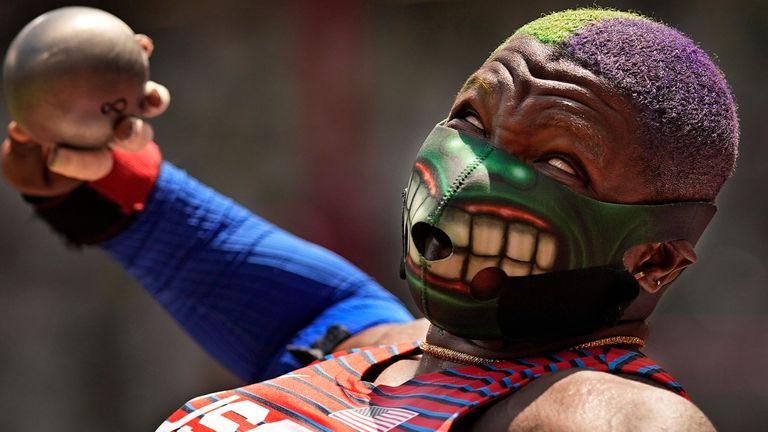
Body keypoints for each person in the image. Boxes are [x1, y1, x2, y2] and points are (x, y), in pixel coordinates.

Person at [1, 8, 736, 431]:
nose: (474, 173)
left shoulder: (607, 416)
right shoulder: (367, 347)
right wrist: (98, 161)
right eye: (472, 119)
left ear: (657, 260)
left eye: (559, 164)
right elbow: (234, 264)